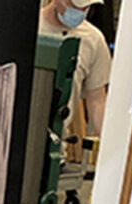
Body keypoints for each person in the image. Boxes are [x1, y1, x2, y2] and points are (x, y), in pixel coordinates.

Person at [40, 0, 113, 135]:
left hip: (55, 142)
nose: (80, 11)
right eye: (74, 6)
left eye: (86, 7)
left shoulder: (93, 40)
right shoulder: (30, 27)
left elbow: (97, 101)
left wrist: (110, 143)